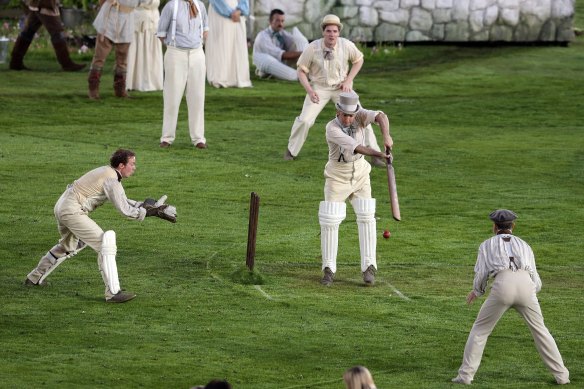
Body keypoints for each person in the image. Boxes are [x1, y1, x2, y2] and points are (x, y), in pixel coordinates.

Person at [24, 149, 177, 303]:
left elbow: (121, 199)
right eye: (132, 164)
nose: (134, 167)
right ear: (122, 165)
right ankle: (113, 293)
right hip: (72, 210)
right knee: (105, 243)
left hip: (63, 205)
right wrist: (149, 212)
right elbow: (125, 210)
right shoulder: (112, 179)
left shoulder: (108, 173)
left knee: (69, 246)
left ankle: (34, 278)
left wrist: (144, 206)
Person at [452, 209, 570, 385]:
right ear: (512, 226)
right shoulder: (524, 244)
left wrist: (477, 291)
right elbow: (534, 276)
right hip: (526, 286)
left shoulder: (486, 244)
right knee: (541, 331)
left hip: (502, 284)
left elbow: (482, 272)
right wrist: (531, 293)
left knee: (480, 330)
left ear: (494, 227)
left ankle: (465, 377)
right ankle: (562, 376)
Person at [284, 14, 384, 167]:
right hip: (319, 88)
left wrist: (348, 80)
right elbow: (301, 71)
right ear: (323, 32)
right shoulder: (313, 47)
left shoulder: (346, 45)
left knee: (362, 116)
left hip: (341, 88)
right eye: (329, 31)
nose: (332, 34)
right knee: (304, 120)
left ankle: (375, 154)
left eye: (335, 31)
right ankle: (291, 151)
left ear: (339, 32)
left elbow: (359, 60)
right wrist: (310, 91)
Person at [319, 91, 393, 286]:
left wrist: (386, 136)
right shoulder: (331, 128)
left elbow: (381, 116)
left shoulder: (360, 116)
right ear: (338, 111)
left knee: (367, 216)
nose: (348, 119)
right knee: (330, 219)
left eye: (351, 115)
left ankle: (369, 267)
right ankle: (329, 269)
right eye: (345, 115)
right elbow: (358, 147)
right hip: (337, 175)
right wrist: (380, 154)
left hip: (360, 173)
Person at [157, 0, 209, 149]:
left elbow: (205, 29)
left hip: (197, 53)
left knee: (197, 97)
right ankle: (167, 137)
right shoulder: (171, 6)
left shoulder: (200, 5)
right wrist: (174, 47)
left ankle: (199, 138)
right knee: (172, 97)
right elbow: (161, 33)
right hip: (175, 53)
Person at [88, 0, 151, 99]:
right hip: (110, 16)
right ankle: (93, 90)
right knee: (100, 56)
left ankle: (120, 90)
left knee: (122, 58)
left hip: (128, 18)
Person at [9, 0, 85, 71]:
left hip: (38, 4)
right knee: (57, 32)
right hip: (44, 4)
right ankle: (66, 63)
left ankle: (16, 61)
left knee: (29, 31)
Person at [205, 0, 252, 88]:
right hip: (219, 11)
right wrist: (229, 12)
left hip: (237, 12)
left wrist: (240, 10)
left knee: (237, 45)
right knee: (221, 45)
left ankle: (237, 77)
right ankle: (220, 77)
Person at [252, 8, 308, 81]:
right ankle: (298, 76)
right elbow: (282, 55)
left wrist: (307, 52)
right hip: (266, 61)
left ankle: (308, 68)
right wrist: (304, 53)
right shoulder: (263, 36)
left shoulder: (282, 33)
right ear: (270, 21)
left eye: (282, 21)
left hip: (278, 62)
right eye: (277, 20)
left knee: (298, 37)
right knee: (270, 61)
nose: (280, 24)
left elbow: (293, 45)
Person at [126, 0, 164, 91]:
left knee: (152, 51)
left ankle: (154, 81)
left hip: (153, 19)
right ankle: (134, 82)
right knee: (136, 50)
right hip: (138, 18)